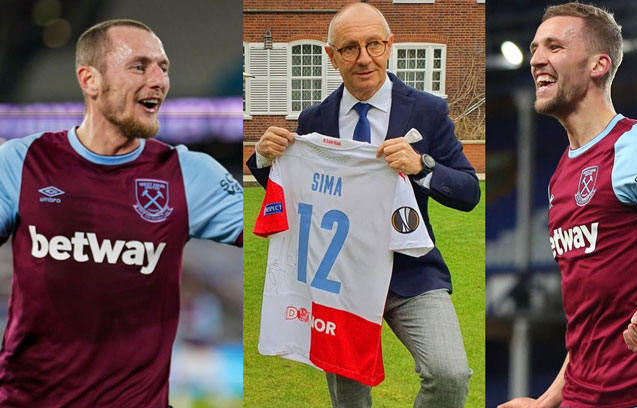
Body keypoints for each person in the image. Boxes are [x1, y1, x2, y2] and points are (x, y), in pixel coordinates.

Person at [246, 3, 480, 407]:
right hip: (338, 278)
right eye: (350, 48)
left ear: (389, 46)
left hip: (410, 272)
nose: (364, 58)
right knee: (351, 400)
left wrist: (422, 166)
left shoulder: (428, 110)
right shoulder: (314, 119)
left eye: (374, 45)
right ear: (331, 56)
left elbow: (467, 192)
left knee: (450, 374)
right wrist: (264, 159)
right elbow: (295, 188)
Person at [0, 19, 243, 406]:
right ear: (90, 80)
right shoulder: (21, 161)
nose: (159, 80)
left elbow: (283, 232)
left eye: (163, 67)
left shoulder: (189, 174)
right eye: (139, 66)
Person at [499, 2, 637, 408]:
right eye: (534, 48)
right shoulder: (560, 177)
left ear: (599, 64)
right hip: (586, 396)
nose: (536, 60)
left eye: (554, 47)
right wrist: (545, 401)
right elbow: (592, 320)